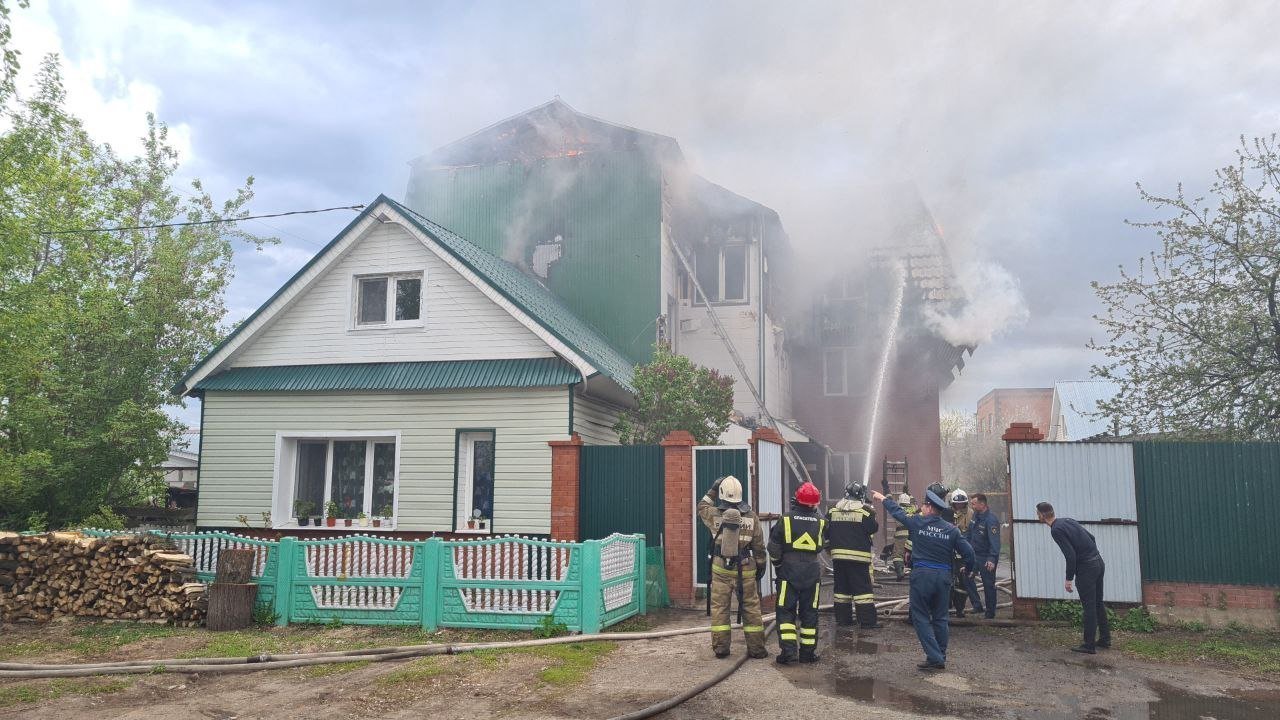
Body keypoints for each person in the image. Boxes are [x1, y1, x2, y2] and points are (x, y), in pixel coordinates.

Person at [870, 483, 975, 671]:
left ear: (929, 507)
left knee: (920, 617)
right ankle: (940, 654)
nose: (922, 508)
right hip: (943, 577)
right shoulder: (951, 530)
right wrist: (968, 569)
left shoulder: (918, 523)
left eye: (924, 506)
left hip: (922, 576)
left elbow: (898, 513)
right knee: (941, 618)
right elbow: (969, 553)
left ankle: (935, 658)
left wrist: (884, 499)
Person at [697, 475, 769, 659]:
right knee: (751, 608)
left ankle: (721, 648)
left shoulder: (714, 514)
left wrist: (713, 488)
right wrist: (760, 566)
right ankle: (757, 649)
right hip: (745, 568)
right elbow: (759, 547)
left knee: (720, 609)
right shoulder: (752, 517)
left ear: (722, 493)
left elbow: (701, 507)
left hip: (720, 569)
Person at [1037, 501, 1111, 654]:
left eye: (1037, 513)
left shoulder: (1056, 530)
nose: (1037, 516)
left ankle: (1089, 645)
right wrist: (1092, 555)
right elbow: (1092, 537)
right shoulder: (1068, 521)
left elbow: (1070, 555)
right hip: (1098, 562)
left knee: (1089, 606)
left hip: (1087, 568)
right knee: (1098, 603)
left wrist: (1068, 578)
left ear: (1042, 515)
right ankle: (1105, 639)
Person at [769, 481, 826, 664]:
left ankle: (789, 653)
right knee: (810, 613)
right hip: (812, 571)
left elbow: (774, 547)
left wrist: (778, 566)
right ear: (815, 503)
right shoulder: (821, 521)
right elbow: (826, 543)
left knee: (786, 612)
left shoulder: (785, 519)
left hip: (788, 572)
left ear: (797, 499)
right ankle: (808, 654)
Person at [827, 481, 880, 629]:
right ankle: (867, 622)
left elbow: (826, 531)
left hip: (838, 558)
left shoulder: (832, 511)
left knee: (841, 590)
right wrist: (871, 510)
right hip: (858, 559)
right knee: (863, 591)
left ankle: (843, 620)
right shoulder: (865, 512)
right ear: (861, 496)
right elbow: (873, 528)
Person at [967, 493, 1001, 619]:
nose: (972, 505)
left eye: (974, 503)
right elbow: (969, 534)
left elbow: (995, 542)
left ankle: (990, 612)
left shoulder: (991, 520)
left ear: (982, 504)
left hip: (986, 557)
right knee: (967, 577)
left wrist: (992, 559)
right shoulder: (975, 516)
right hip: (974, 556)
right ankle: (977, 605)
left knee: (988, 584)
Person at [949, 489, 974, 617]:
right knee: (947, 581)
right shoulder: (947, 513)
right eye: (956, 504)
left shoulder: (970, 514)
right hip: (949, 555)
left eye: (962, 504)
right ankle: (946, 606)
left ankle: (960, 608)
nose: (959, 506)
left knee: (963, 583)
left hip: (962, 555)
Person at [891, 492, 918, 581]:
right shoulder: (914, 508)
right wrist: (910, 494)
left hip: (900, 536)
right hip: (912, 536)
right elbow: (915, 503)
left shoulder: (898, 509)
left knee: (897, 555)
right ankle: (915, 574)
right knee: (913, 554)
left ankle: (900, 572)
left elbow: (890, 502)